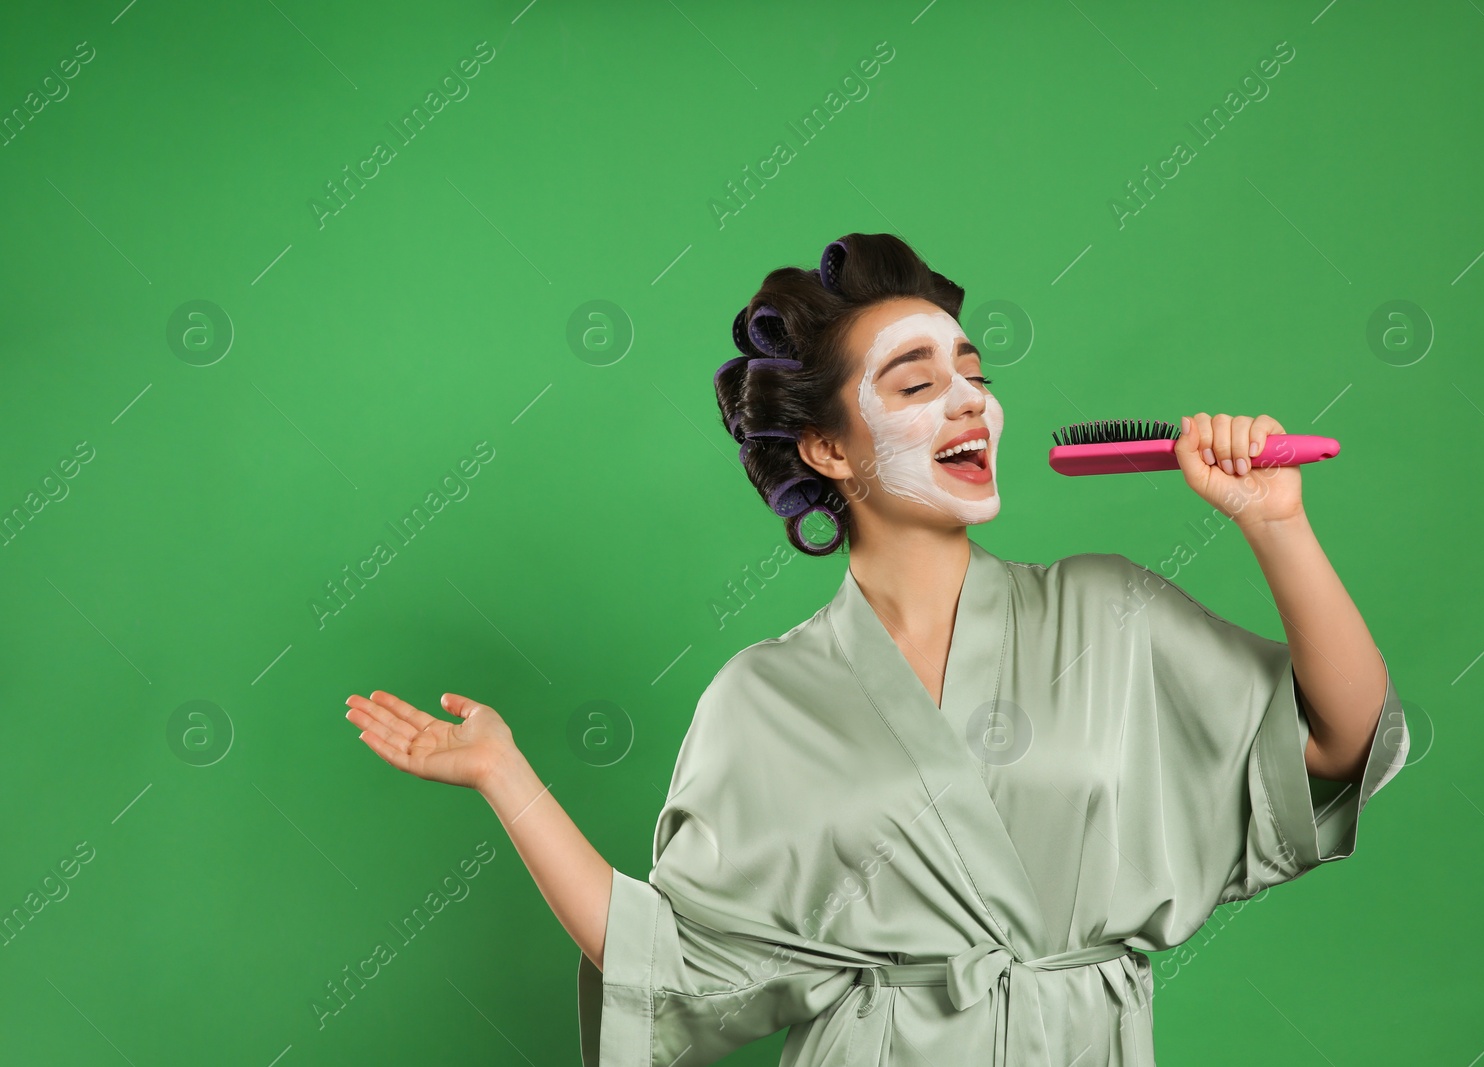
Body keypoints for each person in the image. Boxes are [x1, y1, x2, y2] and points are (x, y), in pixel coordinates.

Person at [343, 233, 1410, 1066]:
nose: (970, 401)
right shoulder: (763, 697)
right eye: (914, 383)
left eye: (973, 373)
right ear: (827, 446)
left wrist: (1275, 524)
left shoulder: (1109, 610)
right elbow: (668, 963)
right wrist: (503, 773)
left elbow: (1337, 737)